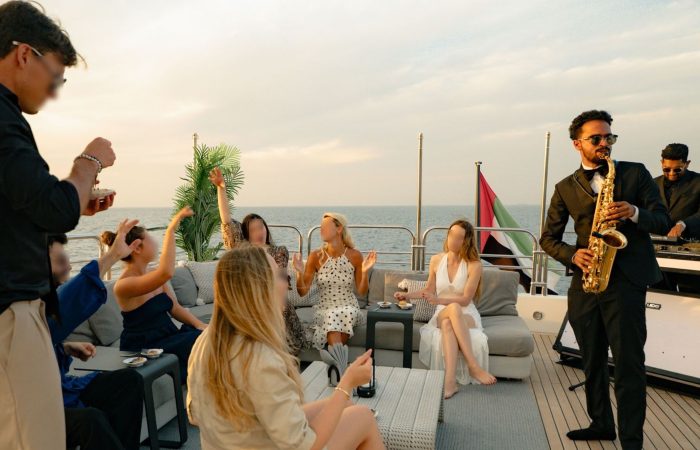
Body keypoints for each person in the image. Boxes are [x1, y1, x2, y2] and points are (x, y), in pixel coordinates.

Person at [0, 2, 117, 447]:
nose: (53, 93)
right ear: (24, 54)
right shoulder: (3, 120)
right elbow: (51, 206)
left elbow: (24, 206)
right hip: (11, 315)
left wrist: (74, 204)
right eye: (55, 78)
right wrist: (88, 162)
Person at [540, 110, 671, 449]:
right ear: (577, 143)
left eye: (609, 137)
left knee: (628, 364)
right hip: (587, 280)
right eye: (596, 138)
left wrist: (635, 212)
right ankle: (600, 423)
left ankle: (631, 441)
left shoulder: (635, 173)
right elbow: (548, 238)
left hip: (626, 282)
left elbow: (662, 220)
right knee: (591, 359)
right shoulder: (564, 187)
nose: (604, 143)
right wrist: (573, 255)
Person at [187, 245, 385, 450]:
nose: (286, 284)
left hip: (239, 440)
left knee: (345, 405)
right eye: (281, 276)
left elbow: (194, 415)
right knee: (363, 416)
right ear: (259, 288)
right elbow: (306, 446)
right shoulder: (261, 358)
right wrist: (347, 383)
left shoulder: (205, 341)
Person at [48, 220, 144, 450]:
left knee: (128, 381)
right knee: (91, 420)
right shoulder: (22, 307)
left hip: (62, 389)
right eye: (60, 261)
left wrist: (65, 347)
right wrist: (112, 256)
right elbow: (63, 306)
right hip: (36, 406)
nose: (68, 267)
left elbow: (43, 336)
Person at [209, 166, 308, 355]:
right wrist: (221, 189)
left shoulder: (279, 251)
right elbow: (226, 221)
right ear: (246, 234)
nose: (259, 232)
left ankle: (277, 356)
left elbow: (277, 282)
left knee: (277, 309)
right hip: (249, 301)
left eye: (261, 227)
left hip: (273, 303)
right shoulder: (242, 250)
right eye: (253, 229)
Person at [101, 207, 207, 382]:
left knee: (212, 332)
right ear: (138, 248)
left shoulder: (154, 275)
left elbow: (175, 308)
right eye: (151, 239)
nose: (157, 245)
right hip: (145, 346)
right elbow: (167, 272)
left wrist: (200, 324)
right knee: (204, 342)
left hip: (168, 335)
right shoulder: (123, 285)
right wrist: (171, 230)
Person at [396, 219, 495, 399]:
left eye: (459, 237)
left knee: (450, 320)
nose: (453, 240)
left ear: (467, 241)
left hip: (467, 313)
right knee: (451, 311)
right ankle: (473, 367)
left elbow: (465, 299)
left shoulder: (474, 265)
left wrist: (438, 299)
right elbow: (429, 290)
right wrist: (407, 296)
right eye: (451, 235)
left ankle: (450, 382)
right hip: (442, 311)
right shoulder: (436, 260)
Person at [293, 213, 376, 383]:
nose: (321, 229)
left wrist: (365, 272)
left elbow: (361, 291)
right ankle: (341, 372)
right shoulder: (316, 256)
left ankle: (336, 372)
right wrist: (299, 273)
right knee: (333, 315)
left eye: (325, 226)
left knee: (340, 314)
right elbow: (302, 292)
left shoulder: (355, 255)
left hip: (349, 306)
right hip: (325, 308)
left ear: (339, 229)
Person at [653, 143, 699, 240]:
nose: (671, 173)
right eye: (666, 169)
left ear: (687, 164)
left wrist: (683, 224)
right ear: (661, 163)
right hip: (655, 241)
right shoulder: (652, 183)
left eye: (677, 170)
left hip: (690, 243)